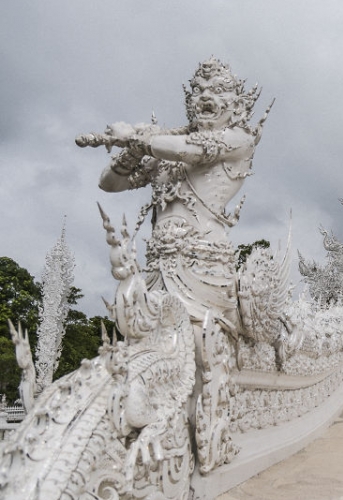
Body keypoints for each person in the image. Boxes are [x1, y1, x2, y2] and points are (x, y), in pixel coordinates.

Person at [78, 57, 272, 336]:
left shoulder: (239, 140)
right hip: (157, 265)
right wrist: (136, 146)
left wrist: (137, 138)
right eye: (199, 90)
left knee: (195, 342)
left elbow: (193, 150)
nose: (206, 95)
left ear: (237, 105)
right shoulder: (163, 152)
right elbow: (110, 183)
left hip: (205, 263)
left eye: (217, 90)